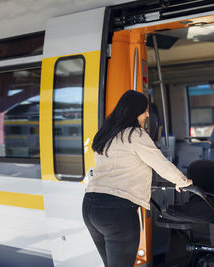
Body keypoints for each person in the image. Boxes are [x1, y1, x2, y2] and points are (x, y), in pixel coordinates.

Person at [82, 90, 192, 267]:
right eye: (145, 110)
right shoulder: (135, 135)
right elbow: (160, 164)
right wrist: (183, 181)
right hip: (116, 210)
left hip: (90, 207)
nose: (148, 114)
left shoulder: (106, 134)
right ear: (134, 111)